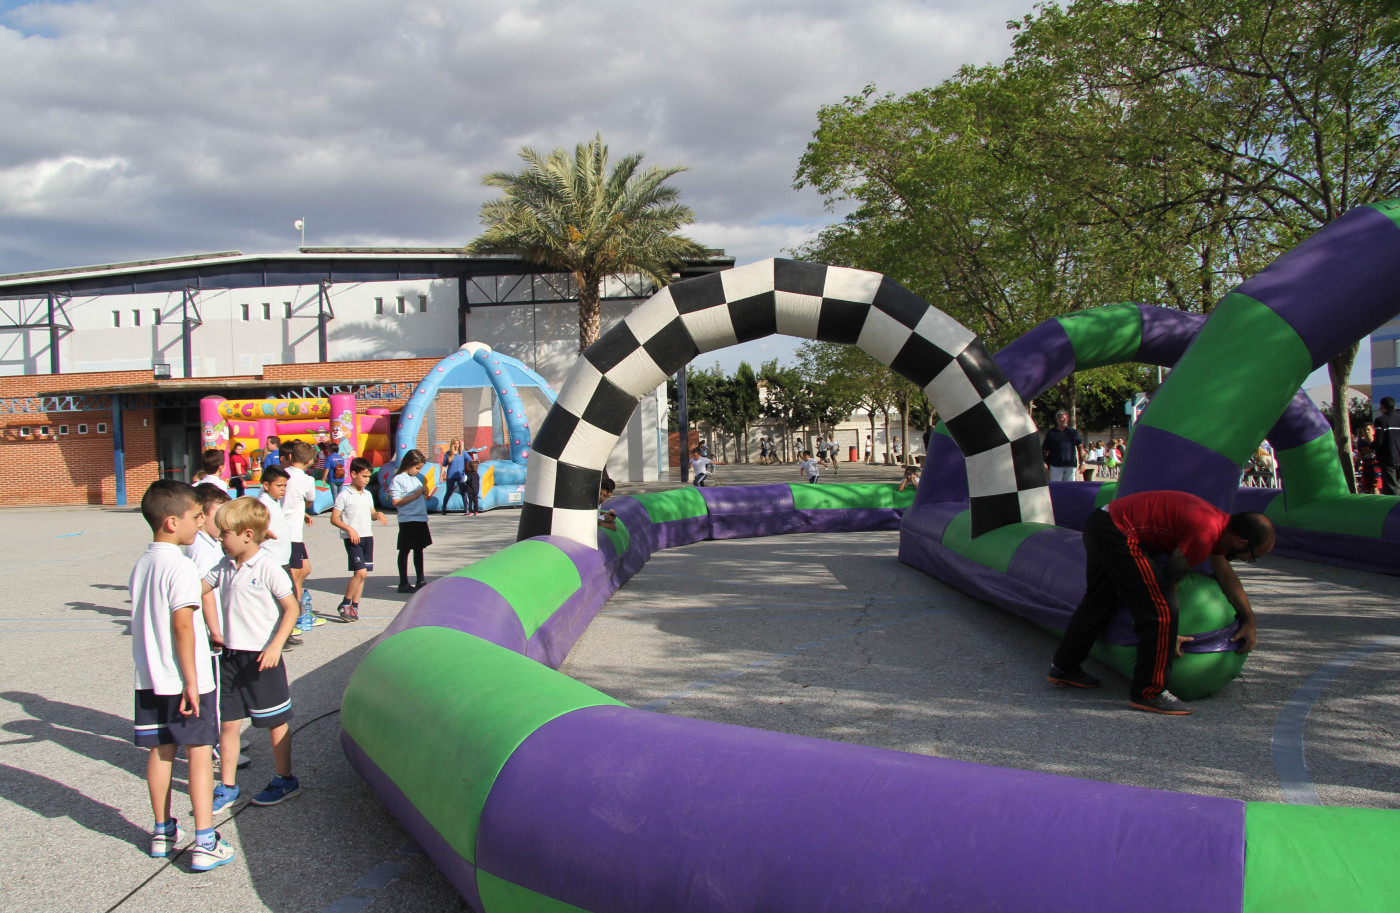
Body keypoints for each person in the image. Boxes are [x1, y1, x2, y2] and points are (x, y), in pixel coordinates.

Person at [1048, 490, 1274, 715]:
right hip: (1118, 532)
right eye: (1253, 557)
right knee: (1161, 612)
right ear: (1242, 542)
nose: (1248, 560)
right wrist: (1167, 636)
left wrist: (1249, 619)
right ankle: (1149, 693)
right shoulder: (1205, 532)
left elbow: (1226, 576)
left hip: (1102, 521)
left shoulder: (1218, 525)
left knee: (1099, 598)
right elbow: (1170, 581)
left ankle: (1064, 667)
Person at [129, 480, 233, 871]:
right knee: (200, 755)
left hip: (150, 678)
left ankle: (161, 831)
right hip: (186, 680)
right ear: (172, 522)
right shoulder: (182, 566)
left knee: (161, 751)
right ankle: (205, 839)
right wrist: (191, 680)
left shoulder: (143, 564)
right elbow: (183, 626)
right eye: (195, 516)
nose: (201, 521)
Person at [202, 497, 302, 813]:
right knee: (229, 724)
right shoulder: (223, 566)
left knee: (276, 722)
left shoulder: (269, 567)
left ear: (247, 534)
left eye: (224, 534)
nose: (219, 540)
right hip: (230, 657)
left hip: (262, 658)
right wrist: (212, 627)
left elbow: (291, 609)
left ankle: (284, 778)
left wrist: (275, 646)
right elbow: (198, 589)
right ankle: (227, 785)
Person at [330, 457, 388, 621]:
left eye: (369, 477)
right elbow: (334, 518)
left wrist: (379, 514)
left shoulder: (368, 494)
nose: (367, 480)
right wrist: (349, 529)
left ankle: (354, 606)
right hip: (353, 538)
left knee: (363, 575)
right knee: (360, 572)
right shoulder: (344, 495)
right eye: (364, 476)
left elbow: (372, 512)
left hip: (367, 537)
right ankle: (345, 603)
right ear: (353, 474)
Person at [256, 465, 300, 649]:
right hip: (273, 560)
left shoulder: (273, 502)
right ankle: (277, 639)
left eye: (284, 486)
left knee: (289, 600)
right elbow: (256, 525)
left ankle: (286, 634)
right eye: (279, 485)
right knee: (280, 603)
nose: (283, 489)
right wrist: (265, 533)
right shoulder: (262, 505)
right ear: (266, 485)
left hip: (283, 559)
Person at [282, 441, 319, 634]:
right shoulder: (307, 480)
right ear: (310, 461)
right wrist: (303, 509)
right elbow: (310, 501)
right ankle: (294, 615)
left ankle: (299, 608)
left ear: (290, 456)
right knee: (295, 576)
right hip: (290, 533)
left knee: (305, 569)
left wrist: (299, 511)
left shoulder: (281, 475)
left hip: (292, 531)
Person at [389, 449, 433, 593]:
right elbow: (396, 501)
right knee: (405, 550)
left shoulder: (415, 479)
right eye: (417, 468)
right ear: (409, 464)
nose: (418, 471)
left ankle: (420, 579)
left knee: (419, 550)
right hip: (408, 519)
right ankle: (403, 582)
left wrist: (424, 493)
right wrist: (416, 494)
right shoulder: (398, 479)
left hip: (420, 518)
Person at [1042, 410, 1085, 482]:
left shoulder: (1073, 432)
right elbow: (1044, 449)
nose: (1065, 419)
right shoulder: (1051, 433)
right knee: (1056, 487)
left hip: (1070, 466)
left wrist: (1082, 463)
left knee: (1069, 488)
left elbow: (1080, 447)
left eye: (1066, 418)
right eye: (1062, 418)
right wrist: (1045, 463)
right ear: (1057, 419)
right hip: (1056, 466)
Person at [1374, 397, 1400, 495]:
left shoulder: (1380, 420)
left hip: (1388, 458)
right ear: (1394, 407)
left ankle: (1395, 509)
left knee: (1391, 488)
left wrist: (1370, 448)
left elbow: (1378, 442)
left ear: (1383, 407)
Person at [440, 439, 467, 515]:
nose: (456, 445)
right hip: (451, 476)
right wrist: (441, 475)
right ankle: (444, 508)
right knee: (448, 492)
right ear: (452, 444)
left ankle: (466, 508)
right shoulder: (448, 454)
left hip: (460, 475)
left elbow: (469, 461)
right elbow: (444, 465)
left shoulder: (462, 453)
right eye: (455, 443)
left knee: (463, 492)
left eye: (458, 443)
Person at [1356, 425, 1381, 494]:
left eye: (1368, 429)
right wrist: (1359, 465)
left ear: (1373, 431)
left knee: (1375, 487)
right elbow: (1359, 456)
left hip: (1376, 469)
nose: (1367, 432)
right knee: (1367, 489)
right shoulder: (1361, 443)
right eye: (1364, 430)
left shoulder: (1377, 442)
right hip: (1366, 469)